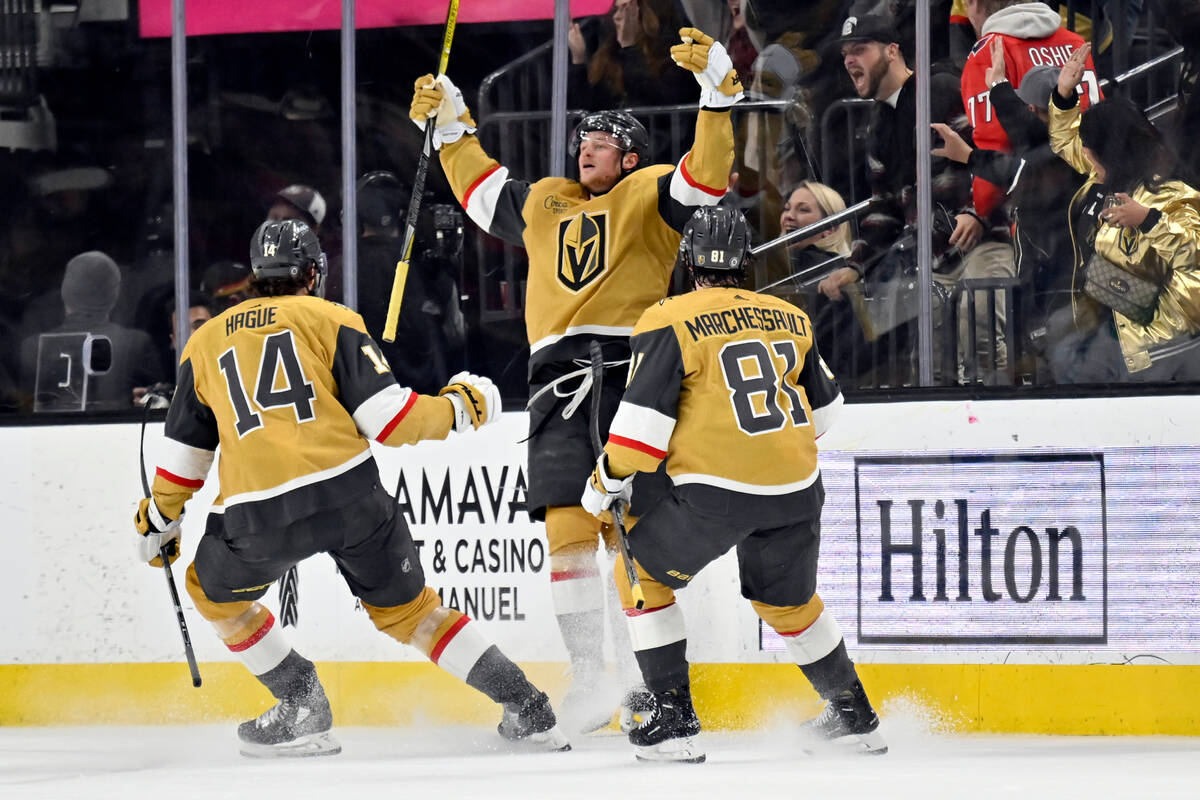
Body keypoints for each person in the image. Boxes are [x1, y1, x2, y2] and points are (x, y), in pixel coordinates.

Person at [132, 219, 570, 758]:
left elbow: (184, 460)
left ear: (255, 275)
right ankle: (527, 707)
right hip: (350, 496)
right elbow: (389, 421)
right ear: (313, 273)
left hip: (257, 514)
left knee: (210, 589)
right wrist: (458, 409)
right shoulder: (331, 318)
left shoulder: (203, 342)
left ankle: (300, 702)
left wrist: (160, 518)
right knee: (414, 614)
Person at [409, 26, 741, 733]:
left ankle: (646, 681)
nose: (584, 146)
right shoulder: (546, 200)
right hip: (558, 377)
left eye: (600, 140)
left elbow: (707, 176)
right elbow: (477, 187)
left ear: (629, 155)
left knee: (628, 532)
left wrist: (716, 92)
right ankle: (592, 676)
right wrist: (450, 124)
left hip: (633, 371)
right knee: (566, 528)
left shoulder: (652, 193)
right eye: (581, 138)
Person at [580, 206, 886, 763]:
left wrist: (603, 485)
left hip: (715, 492)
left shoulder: (666, 317)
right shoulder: (789, 314)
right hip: (797, 488)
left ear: (689, 258)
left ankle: (673, 723)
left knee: (641, 575)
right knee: (787, 604)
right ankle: (855, 714)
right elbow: (825, 413)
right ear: (745, 259)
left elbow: (640, 436)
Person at [838, 12, 1016, 385]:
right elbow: (884, 206)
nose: (850, 60)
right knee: (931, 361)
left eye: (861, 49)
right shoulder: (878, 125)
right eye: (845, 54)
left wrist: (976, 212)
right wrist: (856, 264)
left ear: (892, 51)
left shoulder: (940, 88)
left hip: (985, 240)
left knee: (980, 325)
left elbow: (990, 152)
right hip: (933, 256)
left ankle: (1002, 431)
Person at [1045, 43, 1200, 382]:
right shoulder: (1107, 177)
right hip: (1114, 324)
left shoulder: (1171, 195)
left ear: (1111, 151)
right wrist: (1064, 95)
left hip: (1165, 339)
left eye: (1091, 149)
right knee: (1058, 341)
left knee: (1067, 356)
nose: (1084, 154)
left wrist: (1149, 221)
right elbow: (1065, 142)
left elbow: (1195, 255)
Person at [932, 50, 1086, 382]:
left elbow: (1025, 162)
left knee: (1058, 370)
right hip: (1044, 287)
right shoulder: (1057, 146)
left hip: (1065, 292)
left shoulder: (1063, 159)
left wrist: (970, 155)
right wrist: (999, 86)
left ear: (1034, 110)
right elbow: (1027, 134)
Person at [959, 0, 1100, 225]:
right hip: (1094, 198)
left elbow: (993, 140)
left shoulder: (991, 50)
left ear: (974, 3)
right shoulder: (1074, 41)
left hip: (1038, 211)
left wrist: (980, 207)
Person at [19, 250, 163, 411]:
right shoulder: (136, 344)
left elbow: (23, 405)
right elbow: (157, 404)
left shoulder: (31, 348)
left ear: (65, 292)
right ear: (114, 295)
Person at [352, 170, 446, 394]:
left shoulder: (343, 266)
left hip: (368, 392)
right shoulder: (418, 265)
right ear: (403, 214)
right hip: (416, 394)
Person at [568, 0, 697, 113]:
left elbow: (650, 101)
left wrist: (630, 48)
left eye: (626, 9)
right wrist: (578, 60)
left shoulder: (677, 56)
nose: (616, 17)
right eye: (616, 9)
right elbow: (588, 108)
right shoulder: (609, 54)